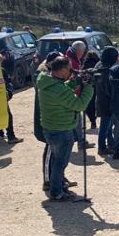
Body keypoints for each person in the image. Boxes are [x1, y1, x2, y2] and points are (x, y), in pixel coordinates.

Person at [37, 56, 93, 202]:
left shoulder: (46, 81)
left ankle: (58, 186)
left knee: (56, 160)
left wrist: (74, 81)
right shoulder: (58, 89)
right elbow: (79, 105)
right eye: (69, 69)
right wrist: (89, 88)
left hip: (50, 127)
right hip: (62, 130)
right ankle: (57, 192)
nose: (71, 71)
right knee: (60, 163)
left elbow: (62, 89)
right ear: (61, 70)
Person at [92, 46, 119, 158]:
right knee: (105, 126)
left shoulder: (99, 65)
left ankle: (111, 143)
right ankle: (102, 147)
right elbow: (109, 89)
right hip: (107, 102)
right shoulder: (106, 70)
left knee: (108, 124)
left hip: (100, 99)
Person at [82, 50, 100, 131]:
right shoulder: (98, 64)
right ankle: (94, 119)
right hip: (96, 86)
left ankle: (92, 120)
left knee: (89, 105)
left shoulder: (85, 64)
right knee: (95, 104)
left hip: (88, 86)